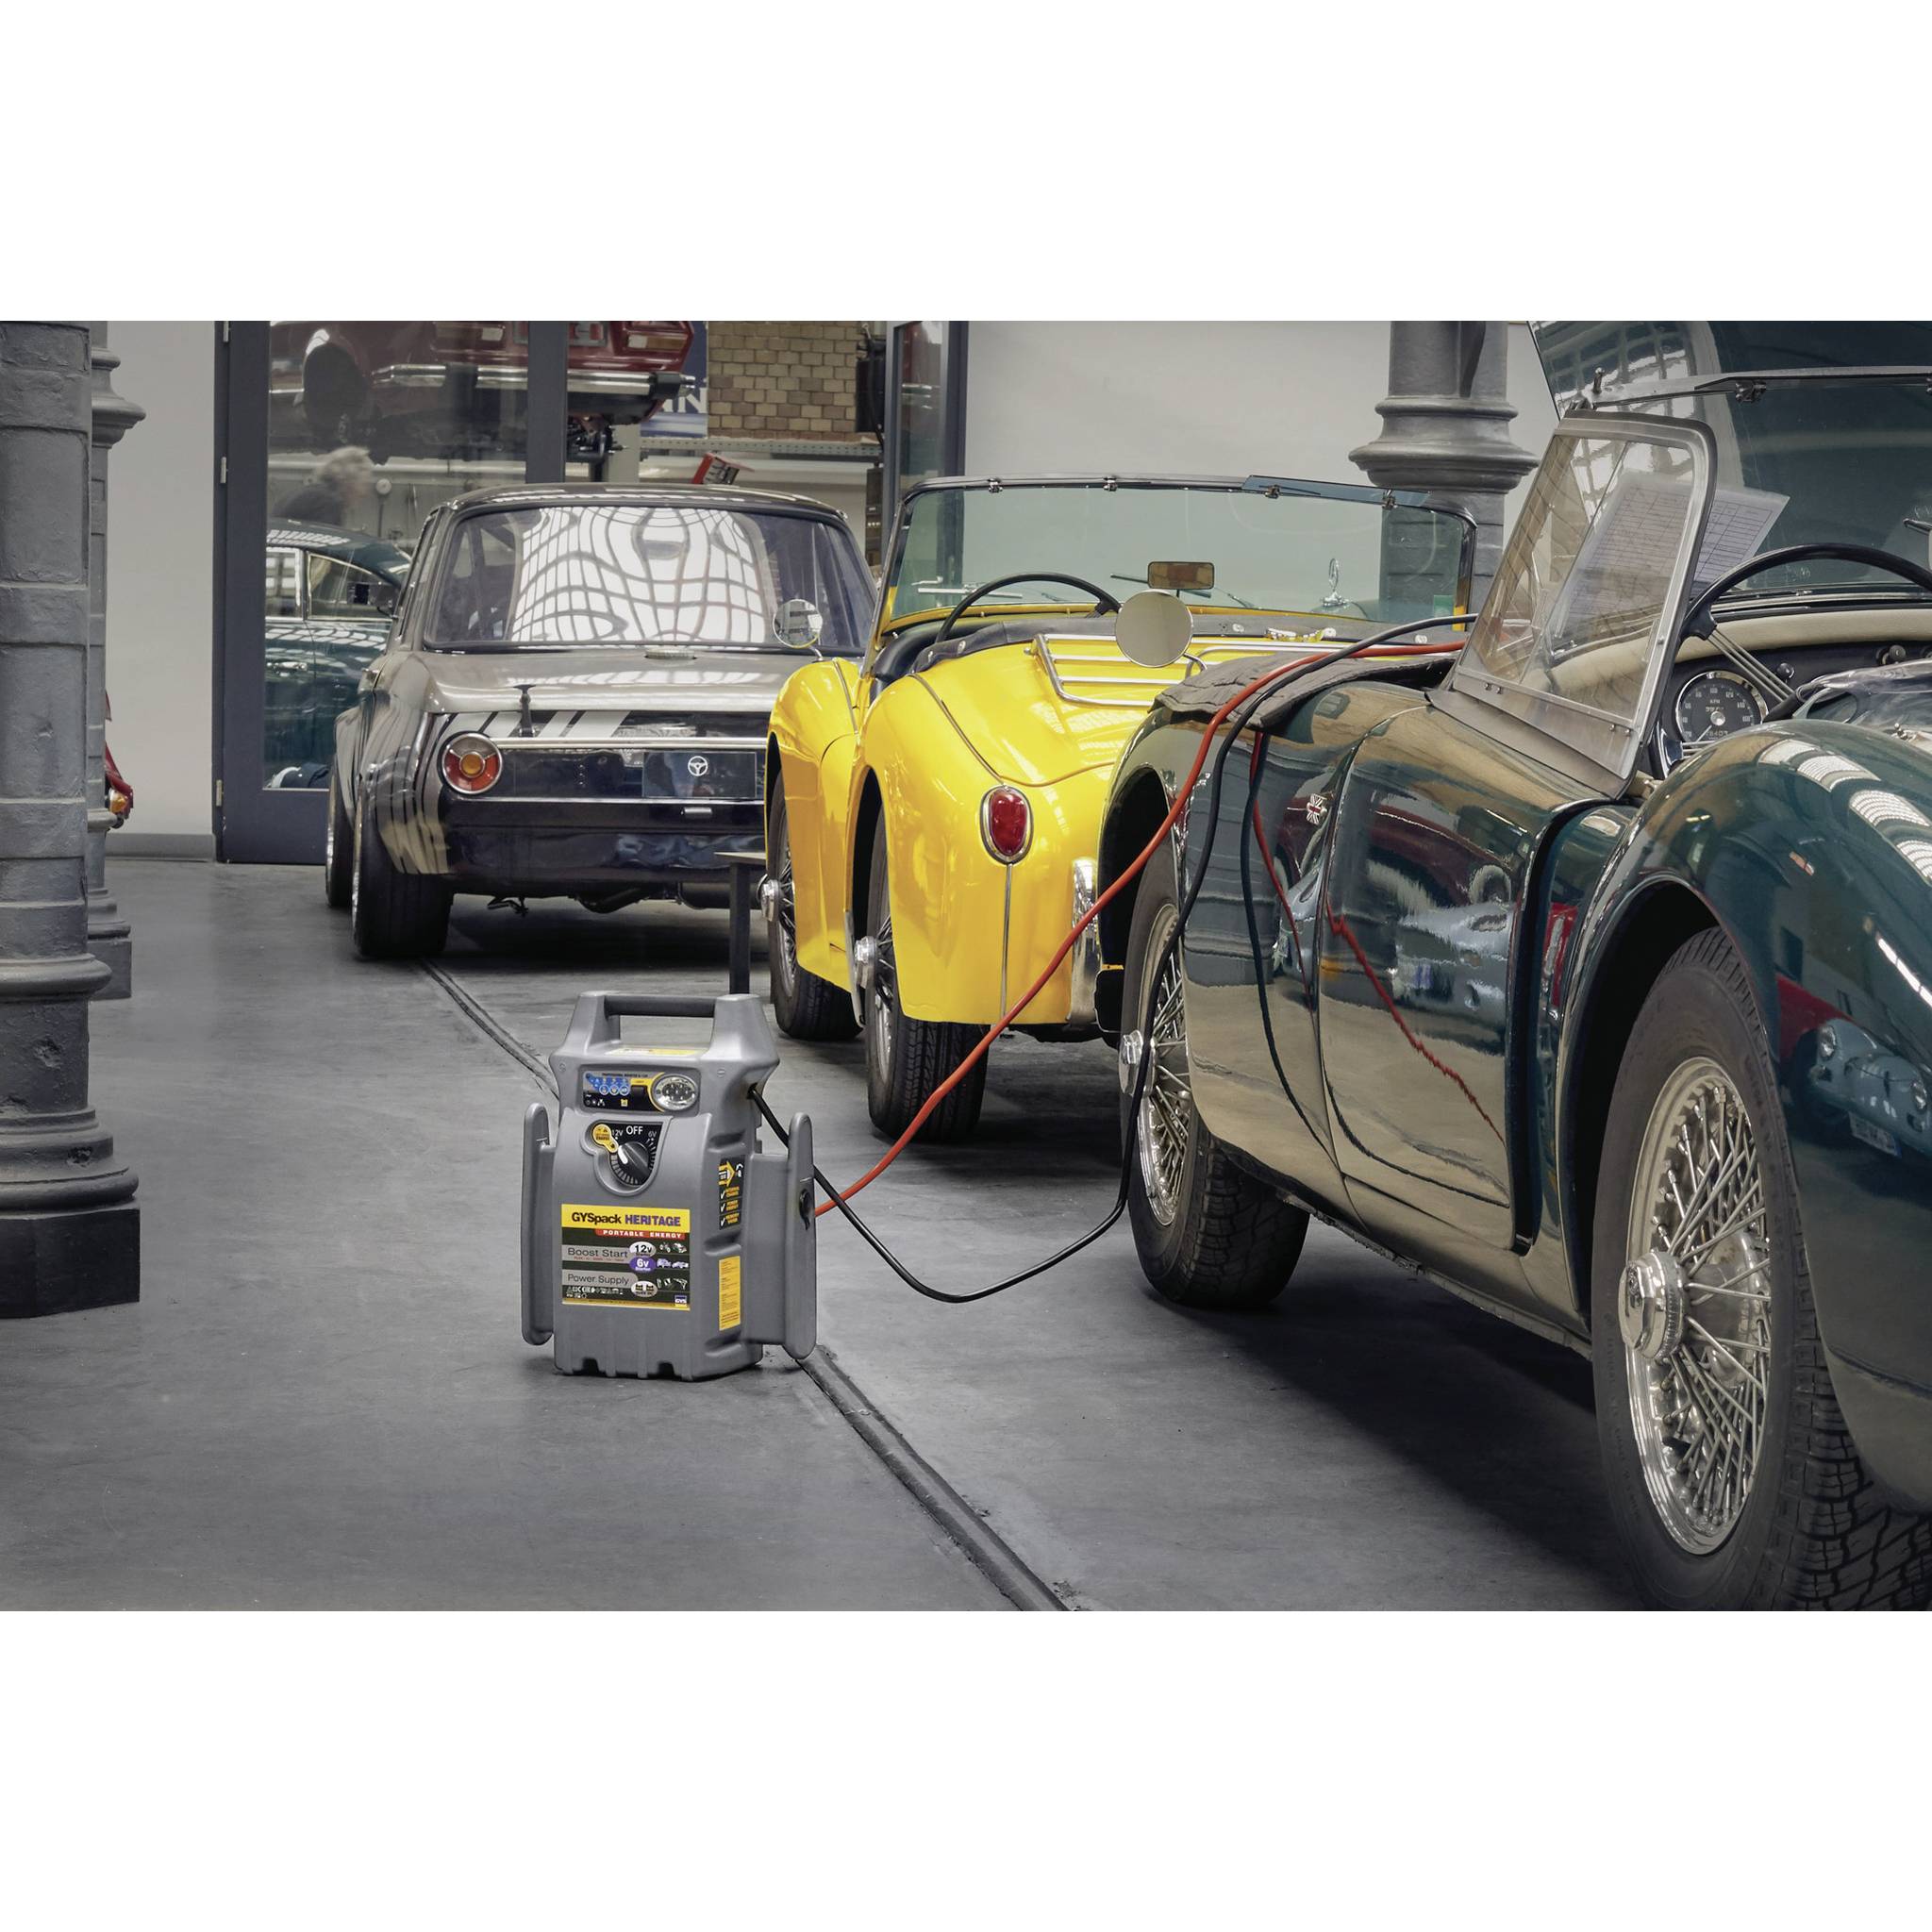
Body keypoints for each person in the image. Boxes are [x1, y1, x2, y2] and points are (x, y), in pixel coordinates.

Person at [279, 446, 375, 528]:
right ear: (347, 480)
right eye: (363, 484)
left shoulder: (310, 493)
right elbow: (324, 548)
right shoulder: (328, 503)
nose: (365, 493)